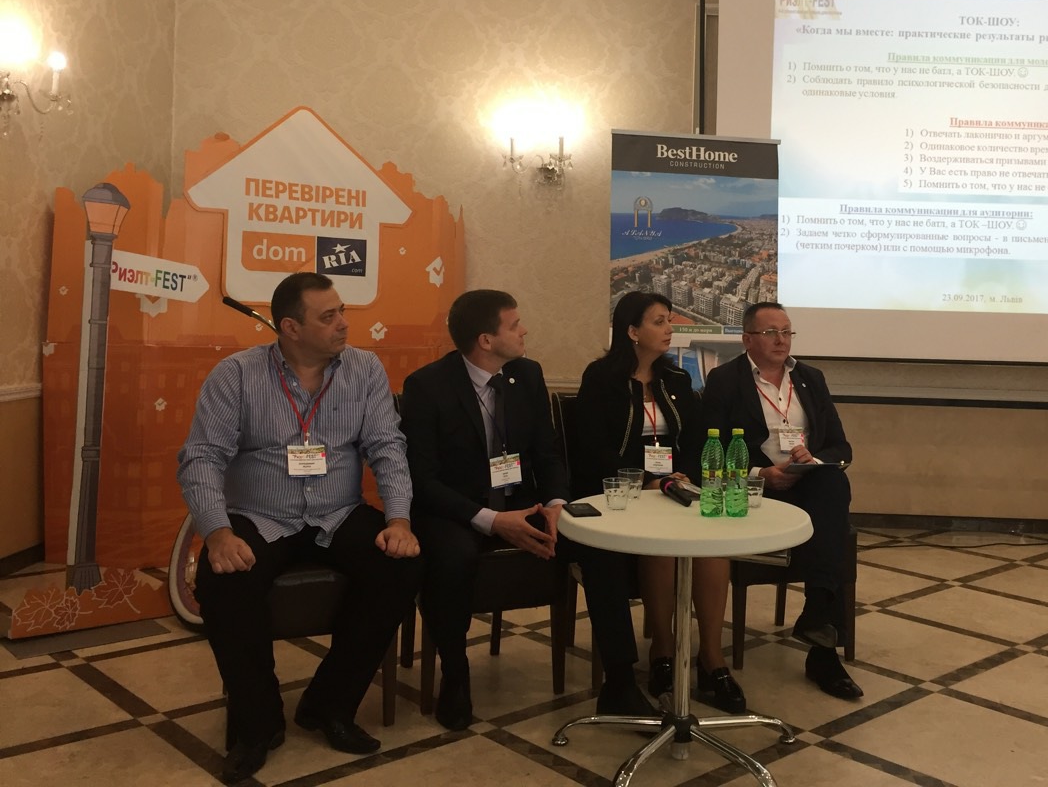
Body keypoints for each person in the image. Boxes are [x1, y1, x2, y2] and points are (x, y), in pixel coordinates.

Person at [177, 272, 422, 785]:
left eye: (342, 311)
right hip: (260, 514)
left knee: (398, 568)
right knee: (224, 582)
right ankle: (257, 725)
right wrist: (217, 532)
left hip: (338, 511)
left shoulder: (364, 369)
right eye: (328, 317)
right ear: (290, 328)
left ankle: (329, 705)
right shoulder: (236, 375)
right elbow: (202, 458)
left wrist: (399, 519)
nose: (344, 324)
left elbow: (387, 447)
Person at [400, 289, 654, 730]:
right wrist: (492, 520)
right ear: (486, 340)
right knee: (452, 557)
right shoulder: (427, 386)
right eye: (514, 325)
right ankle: (455, 674)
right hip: (458, 510)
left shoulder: (527, 374)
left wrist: (556, 504)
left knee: (599, 544)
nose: (524, 331)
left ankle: (619, 679)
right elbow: (422, 480)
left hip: (523, 502)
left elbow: (547, 452)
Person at [576, 291, 746, 712]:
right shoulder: (601, 378)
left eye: (669, 320)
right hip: (624, 493)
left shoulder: (676, 379)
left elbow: (696, 438)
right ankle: (664, 652)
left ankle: (711, 658)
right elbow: (592, 448)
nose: (670, 328)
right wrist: (645, 480)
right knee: (662, 545)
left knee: (712, 544)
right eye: (659, 321)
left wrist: (683, 474)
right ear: (632, 331)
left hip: (675, 488)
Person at [701, 301, 863, 701]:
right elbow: (708, 448)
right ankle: (821, 639)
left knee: (833, 483)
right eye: (770, 332)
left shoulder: (810, 378)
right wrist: (761, 473)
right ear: (747, 339)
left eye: (787, 331)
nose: (781, 340)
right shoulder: (725, 380)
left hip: (807, 483)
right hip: (755, 486)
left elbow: (840, 446)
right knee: (832, 523)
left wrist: (812, 461)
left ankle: (817, 621)